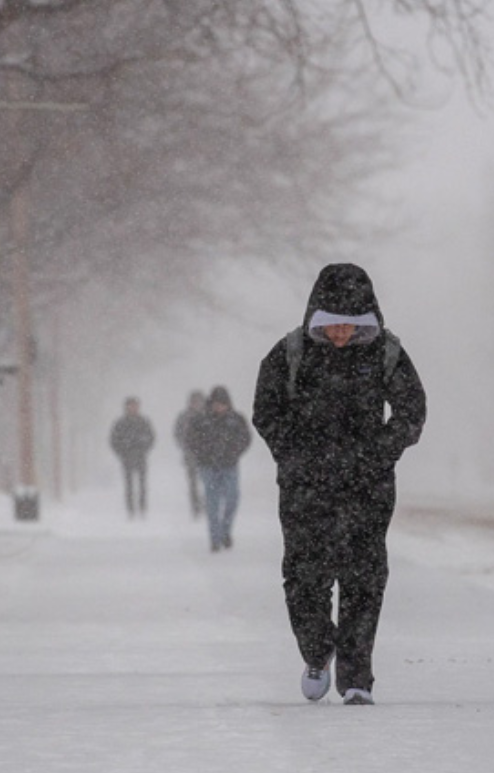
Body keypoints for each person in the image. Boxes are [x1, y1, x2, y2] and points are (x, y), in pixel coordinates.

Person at [252, 263, 426, 706]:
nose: (341, 334)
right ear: (317, 317)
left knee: (364, 580)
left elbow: (411, 411)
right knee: (304, 577)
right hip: (304, 487)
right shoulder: (289, 352)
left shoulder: (387, 353)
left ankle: (356, 678)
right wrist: (295, 454)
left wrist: (379, 452)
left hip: (367, 487)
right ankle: (317, 649)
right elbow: (266, 411)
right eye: (332, 325)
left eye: (350, 324)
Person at [186, 385, 252, 552]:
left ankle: (225, 531)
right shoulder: (201, 420)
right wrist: (203, 454)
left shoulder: (236, 419)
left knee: (232, 497)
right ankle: (214, 538)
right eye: (216, 404)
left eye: (222, 404)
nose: (219, 407)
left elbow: (245, 438)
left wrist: (234, 452)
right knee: (212, 501)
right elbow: (191, 440)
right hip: (208, 467)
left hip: (230, 465)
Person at [109, 396, 154, 518]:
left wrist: (144, 449)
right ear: (126, 407)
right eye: (130, 405)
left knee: (142, 484)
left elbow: (151, 438)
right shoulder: (121, 423)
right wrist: (122, 452)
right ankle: (130, 509)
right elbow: (114, 440)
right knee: (129, 485)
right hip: (127, 458)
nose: (133, 408)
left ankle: (142, 508)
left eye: (135, 405)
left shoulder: (144, 422)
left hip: (140, 457)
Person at [173, 390, 207, 518]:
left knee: (207, 481)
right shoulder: (184, 417)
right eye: (195, 401)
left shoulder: (208, 415)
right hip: (190, 455)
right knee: (193, 483)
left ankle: (205, 505)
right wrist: (185, 446)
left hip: (206, 456)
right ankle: (195, 507)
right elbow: (177, 434)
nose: (197, 404)